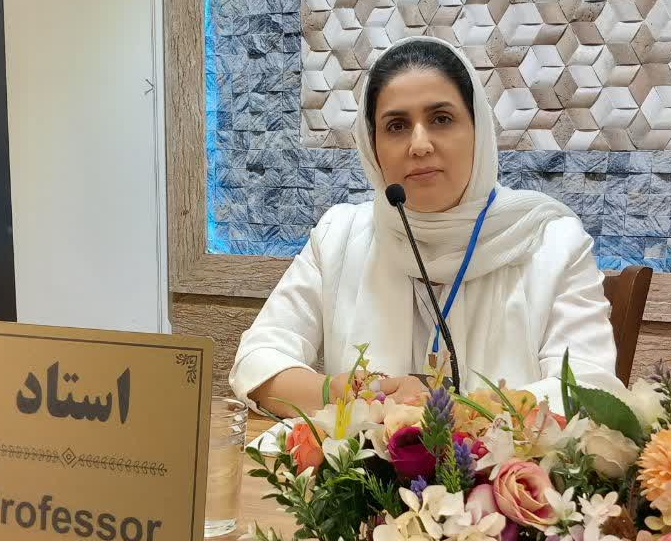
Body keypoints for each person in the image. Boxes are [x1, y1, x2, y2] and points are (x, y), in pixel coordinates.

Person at [229, 36, 619, 419]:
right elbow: (257, 360)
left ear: (478, 130)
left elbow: (591, 391)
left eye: (441, 119)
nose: (419, 144)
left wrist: (462, 414)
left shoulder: (551, 242)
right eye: (396, 126)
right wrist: (351, 396)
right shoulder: (339, 236)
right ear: (373, 146)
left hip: (501, 462)